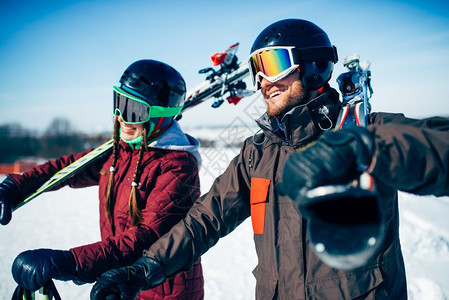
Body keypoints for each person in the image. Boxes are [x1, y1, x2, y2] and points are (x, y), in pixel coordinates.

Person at [90, 19, 449, 300]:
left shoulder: (368, 129)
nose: (262, 81)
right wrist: (146, 268)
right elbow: (204, 220)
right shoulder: (257, 153)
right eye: (255, 70)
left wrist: (368, 149)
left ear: (313, 65)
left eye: (273, 64)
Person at [1, 59, 205, 299]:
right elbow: (70, 167)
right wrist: (17, 185)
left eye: (133, 110)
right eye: (118, 103)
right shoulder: (122, 150)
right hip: (123, 282)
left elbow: (147, 237)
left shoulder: (178, 167)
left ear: (160, 116)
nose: (121, 117)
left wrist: (70, 262)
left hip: (164, 290)